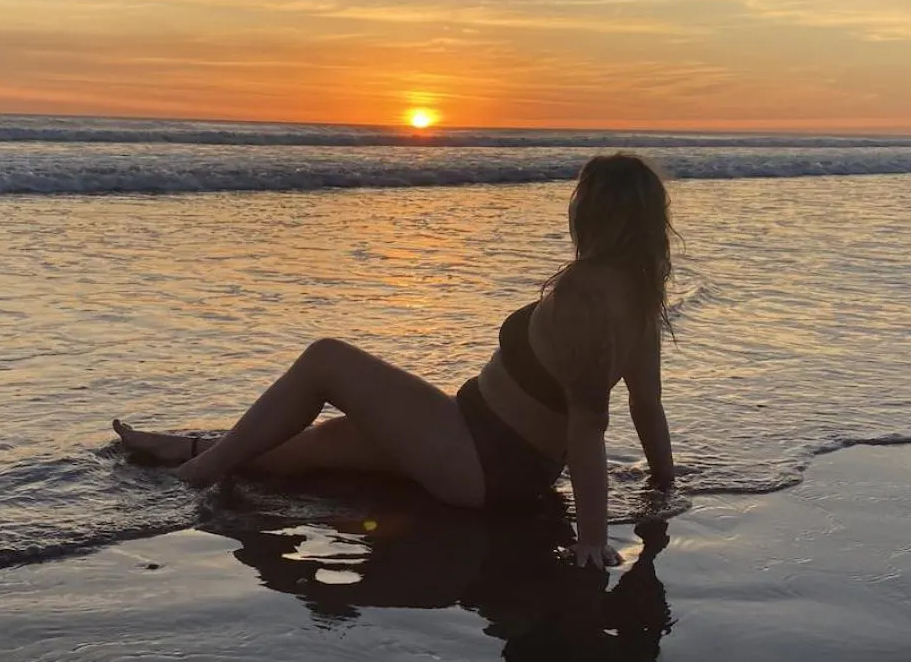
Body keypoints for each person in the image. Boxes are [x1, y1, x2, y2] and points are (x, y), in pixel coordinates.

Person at [113, 152, 677, 568]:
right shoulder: (640, 301)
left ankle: (195, 472)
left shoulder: (584, 295)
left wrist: (592, 541)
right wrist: (664, 483)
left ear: (594, 213)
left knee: (325, 359)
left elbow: (588, 427)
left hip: (481, 458)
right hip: (487, 452)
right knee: (326, 444)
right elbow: (647, 410)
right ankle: (189, 449)